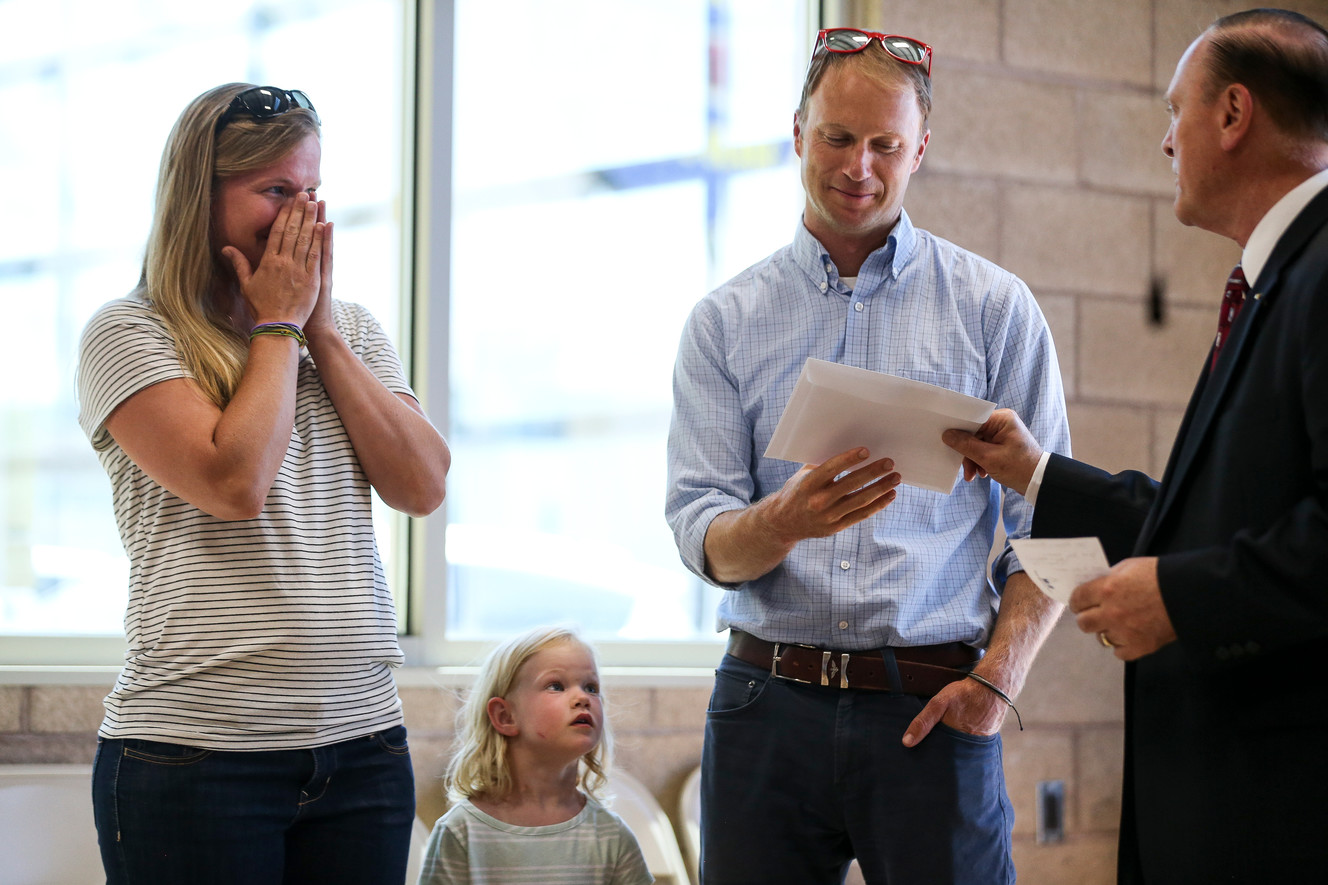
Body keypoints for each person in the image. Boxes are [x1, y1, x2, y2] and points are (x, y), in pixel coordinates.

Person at [666, 28, 1071, 885]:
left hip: (933, 706)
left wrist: (998, 683)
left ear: (919, 149)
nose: (859, 167)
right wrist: (786, 520)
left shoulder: (996, 311)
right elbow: (703, 540)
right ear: (798, 135)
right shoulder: (723, 321)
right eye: (838, 139)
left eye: (886, 145)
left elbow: (1059, 531)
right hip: (763, 706)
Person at [943, 10, 1328, 883]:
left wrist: (1180, 598)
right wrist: (1034, 471)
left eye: (1172, 110)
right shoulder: (1275, 282)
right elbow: (1214, 516)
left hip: (1281, 813)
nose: (1163, 142)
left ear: (1233, 115)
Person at [76, 83, 450, 885]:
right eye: (276, 192)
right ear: (197, 198)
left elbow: (422, 485)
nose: (301, 218)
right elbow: (233, 482)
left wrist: (320, 330)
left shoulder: (346, 329)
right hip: (194, 757)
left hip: (363, 748)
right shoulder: (129, 331)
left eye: (311, 192)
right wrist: (280, 326)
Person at [417, 625, 653, 885]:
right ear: (505, 716)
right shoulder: (461, 832)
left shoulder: (611, 835)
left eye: (591, 687)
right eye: (556, 686)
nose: (582, 698)